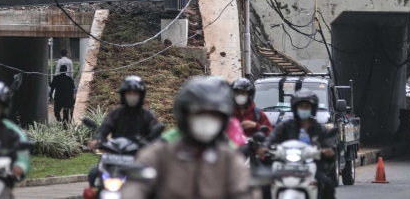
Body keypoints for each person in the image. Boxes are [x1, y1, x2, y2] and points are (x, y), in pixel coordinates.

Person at [121, 76, 252, 199]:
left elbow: (244, 191)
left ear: (223, 120)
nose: (206, 120)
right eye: (199, 113)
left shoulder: (229, 160)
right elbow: (135, 186)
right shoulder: (160, 155)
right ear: (185, 115)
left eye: (213, 115)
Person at [87, 76, 159, 187]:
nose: (132, 96)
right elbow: (104, 128)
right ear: (123, 95)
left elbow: (155, 132)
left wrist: (151, 143)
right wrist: (97, 140)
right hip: (115, 156)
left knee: (155, 180)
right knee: (94, 173)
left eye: (135, 93)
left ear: (141, 95)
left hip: (139, 157)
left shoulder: (148, 116)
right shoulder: (115, 114)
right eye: (129, 93)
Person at [265, 89, 336, 199]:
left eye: (306, 106)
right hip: (285, 167)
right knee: (265, 184)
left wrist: (327, 152)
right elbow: (271, 139)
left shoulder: (319, 129)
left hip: (311, 168)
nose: (304, 109)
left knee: (327, 184)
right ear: (295, 108)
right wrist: (265, 147)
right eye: (301, 106)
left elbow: (329, 145)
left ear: (312, 108)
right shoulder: (285, 126)